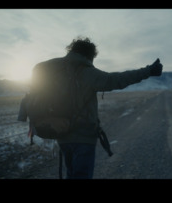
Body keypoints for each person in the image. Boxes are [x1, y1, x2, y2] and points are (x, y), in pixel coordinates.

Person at [32, 36, 163, 179]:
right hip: (83, 137)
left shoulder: (56, 70)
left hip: (62, 135)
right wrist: (148, 71)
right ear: (89, 55)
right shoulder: (86, 72)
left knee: (71, 174)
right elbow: (116, 80)